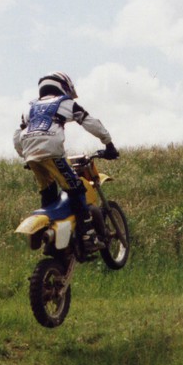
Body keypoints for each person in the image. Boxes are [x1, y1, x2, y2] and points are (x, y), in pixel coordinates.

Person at [13, 71, 119, 242]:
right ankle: (86, 233)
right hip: (52, 152)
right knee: (76, 188)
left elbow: (18, 135)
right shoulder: (66, 103)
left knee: (48, 190)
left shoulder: (29, 107)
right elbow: (90, 122)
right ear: (64, 86)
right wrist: (108, 144)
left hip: (29, 152)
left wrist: (24, 156)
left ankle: (52, 229)